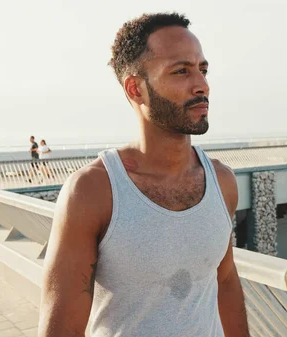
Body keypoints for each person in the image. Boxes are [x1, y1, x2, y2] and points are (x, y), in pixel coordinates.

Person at [38, 12, 249, 337]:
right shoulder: (94, 192)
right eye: (181, 71)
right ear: (136, 89)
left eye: (202, 70)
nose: (201, 85)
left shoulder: (222, 182)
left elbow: (224, 281)